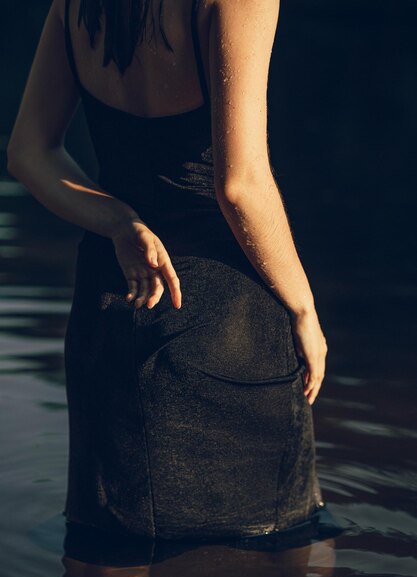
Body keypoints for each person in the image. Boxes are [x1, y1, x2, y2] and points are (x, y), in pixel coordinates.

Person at [7, 0, 328, 540]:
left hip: (108, 311)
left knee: (107, 559)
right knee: (279, 556)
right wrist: (303, 306)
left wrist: (117, 221)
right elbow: (239, 185)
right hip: (224, 321)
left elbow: (28, 152)